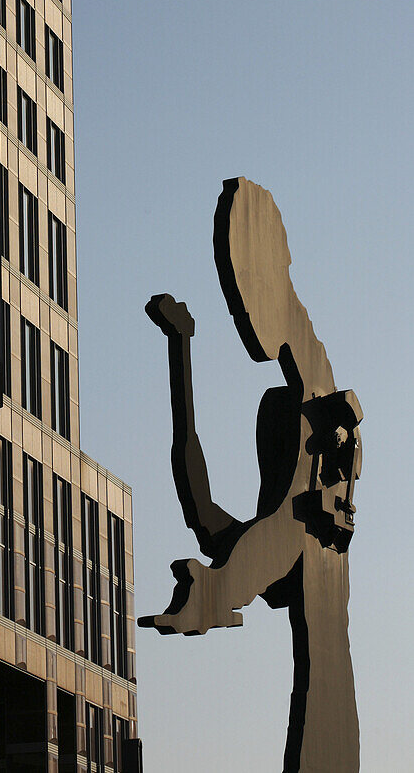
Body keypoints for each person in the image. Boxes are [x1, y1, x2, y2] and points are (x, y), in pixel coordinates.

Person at [139, 177, 362, 773]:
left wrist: (218, 591)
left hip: (328, 722)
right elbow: (203, 510)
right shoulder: (279, 523)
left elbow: (286, 530)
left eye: (246, 280)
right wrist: (180, 351)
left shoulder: (321, 400)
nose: (240, 304)